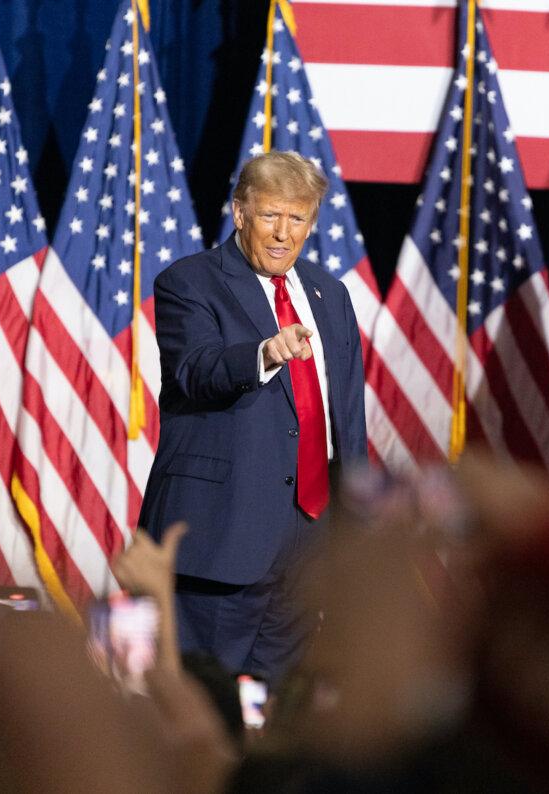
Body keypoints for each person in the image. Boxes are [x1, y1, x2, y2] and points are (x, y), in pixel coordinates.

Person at [138, 150, 368, 685]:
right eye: (270, 215)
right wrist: (265, 353)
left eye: (298, 218)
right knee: (205, 705)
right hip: (223, 538)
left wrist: (355, 530)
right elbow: (196, 371)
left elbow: (347, 420)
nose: (283, 233)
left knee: (281, 718)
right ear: (240, 212)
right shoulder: (190, 282)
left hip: (308, 547)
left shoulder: (328, 294)